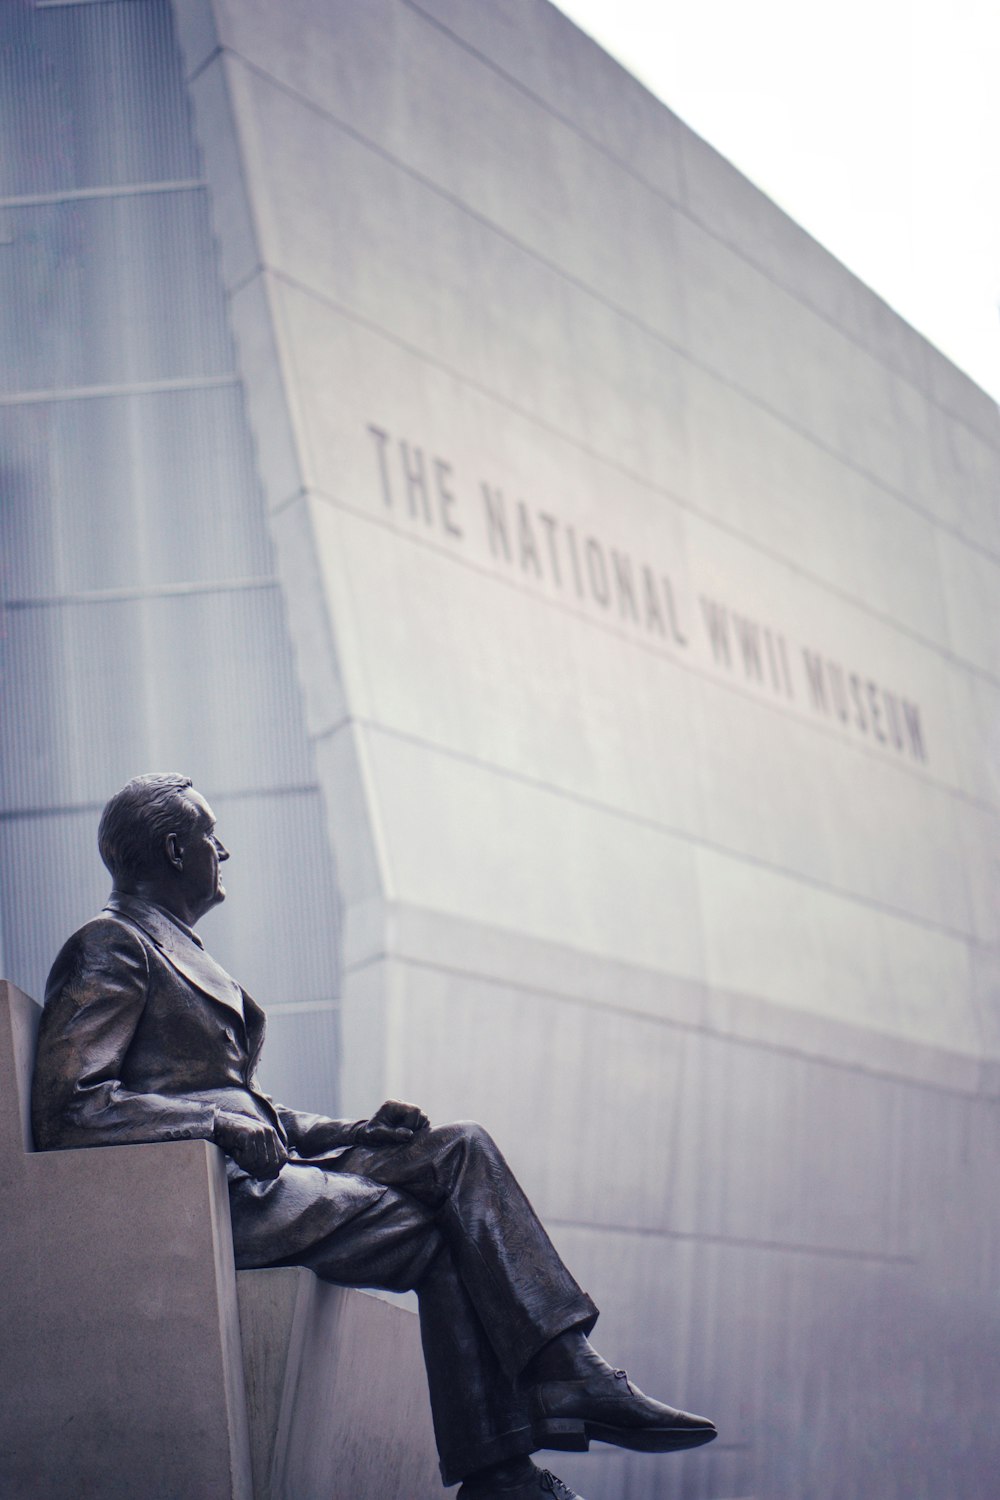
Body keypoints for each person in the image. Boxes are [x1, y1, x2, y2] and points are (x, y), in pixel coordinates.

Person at [32, 773, 716, 1500]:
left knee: (459, 1149)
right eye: (209, 837)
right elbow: (71, 1107)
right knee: (443, 1227)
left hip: (269, 1169)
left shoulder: (176, 951)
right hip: (211, 1197)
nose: (221, 851)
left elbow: (259, 1111)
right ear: (175, 850)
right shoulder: (112, 946)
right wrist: (214, 1125)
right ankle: (542, 1419)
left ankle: (543, 1409)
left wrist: (358, 1131)